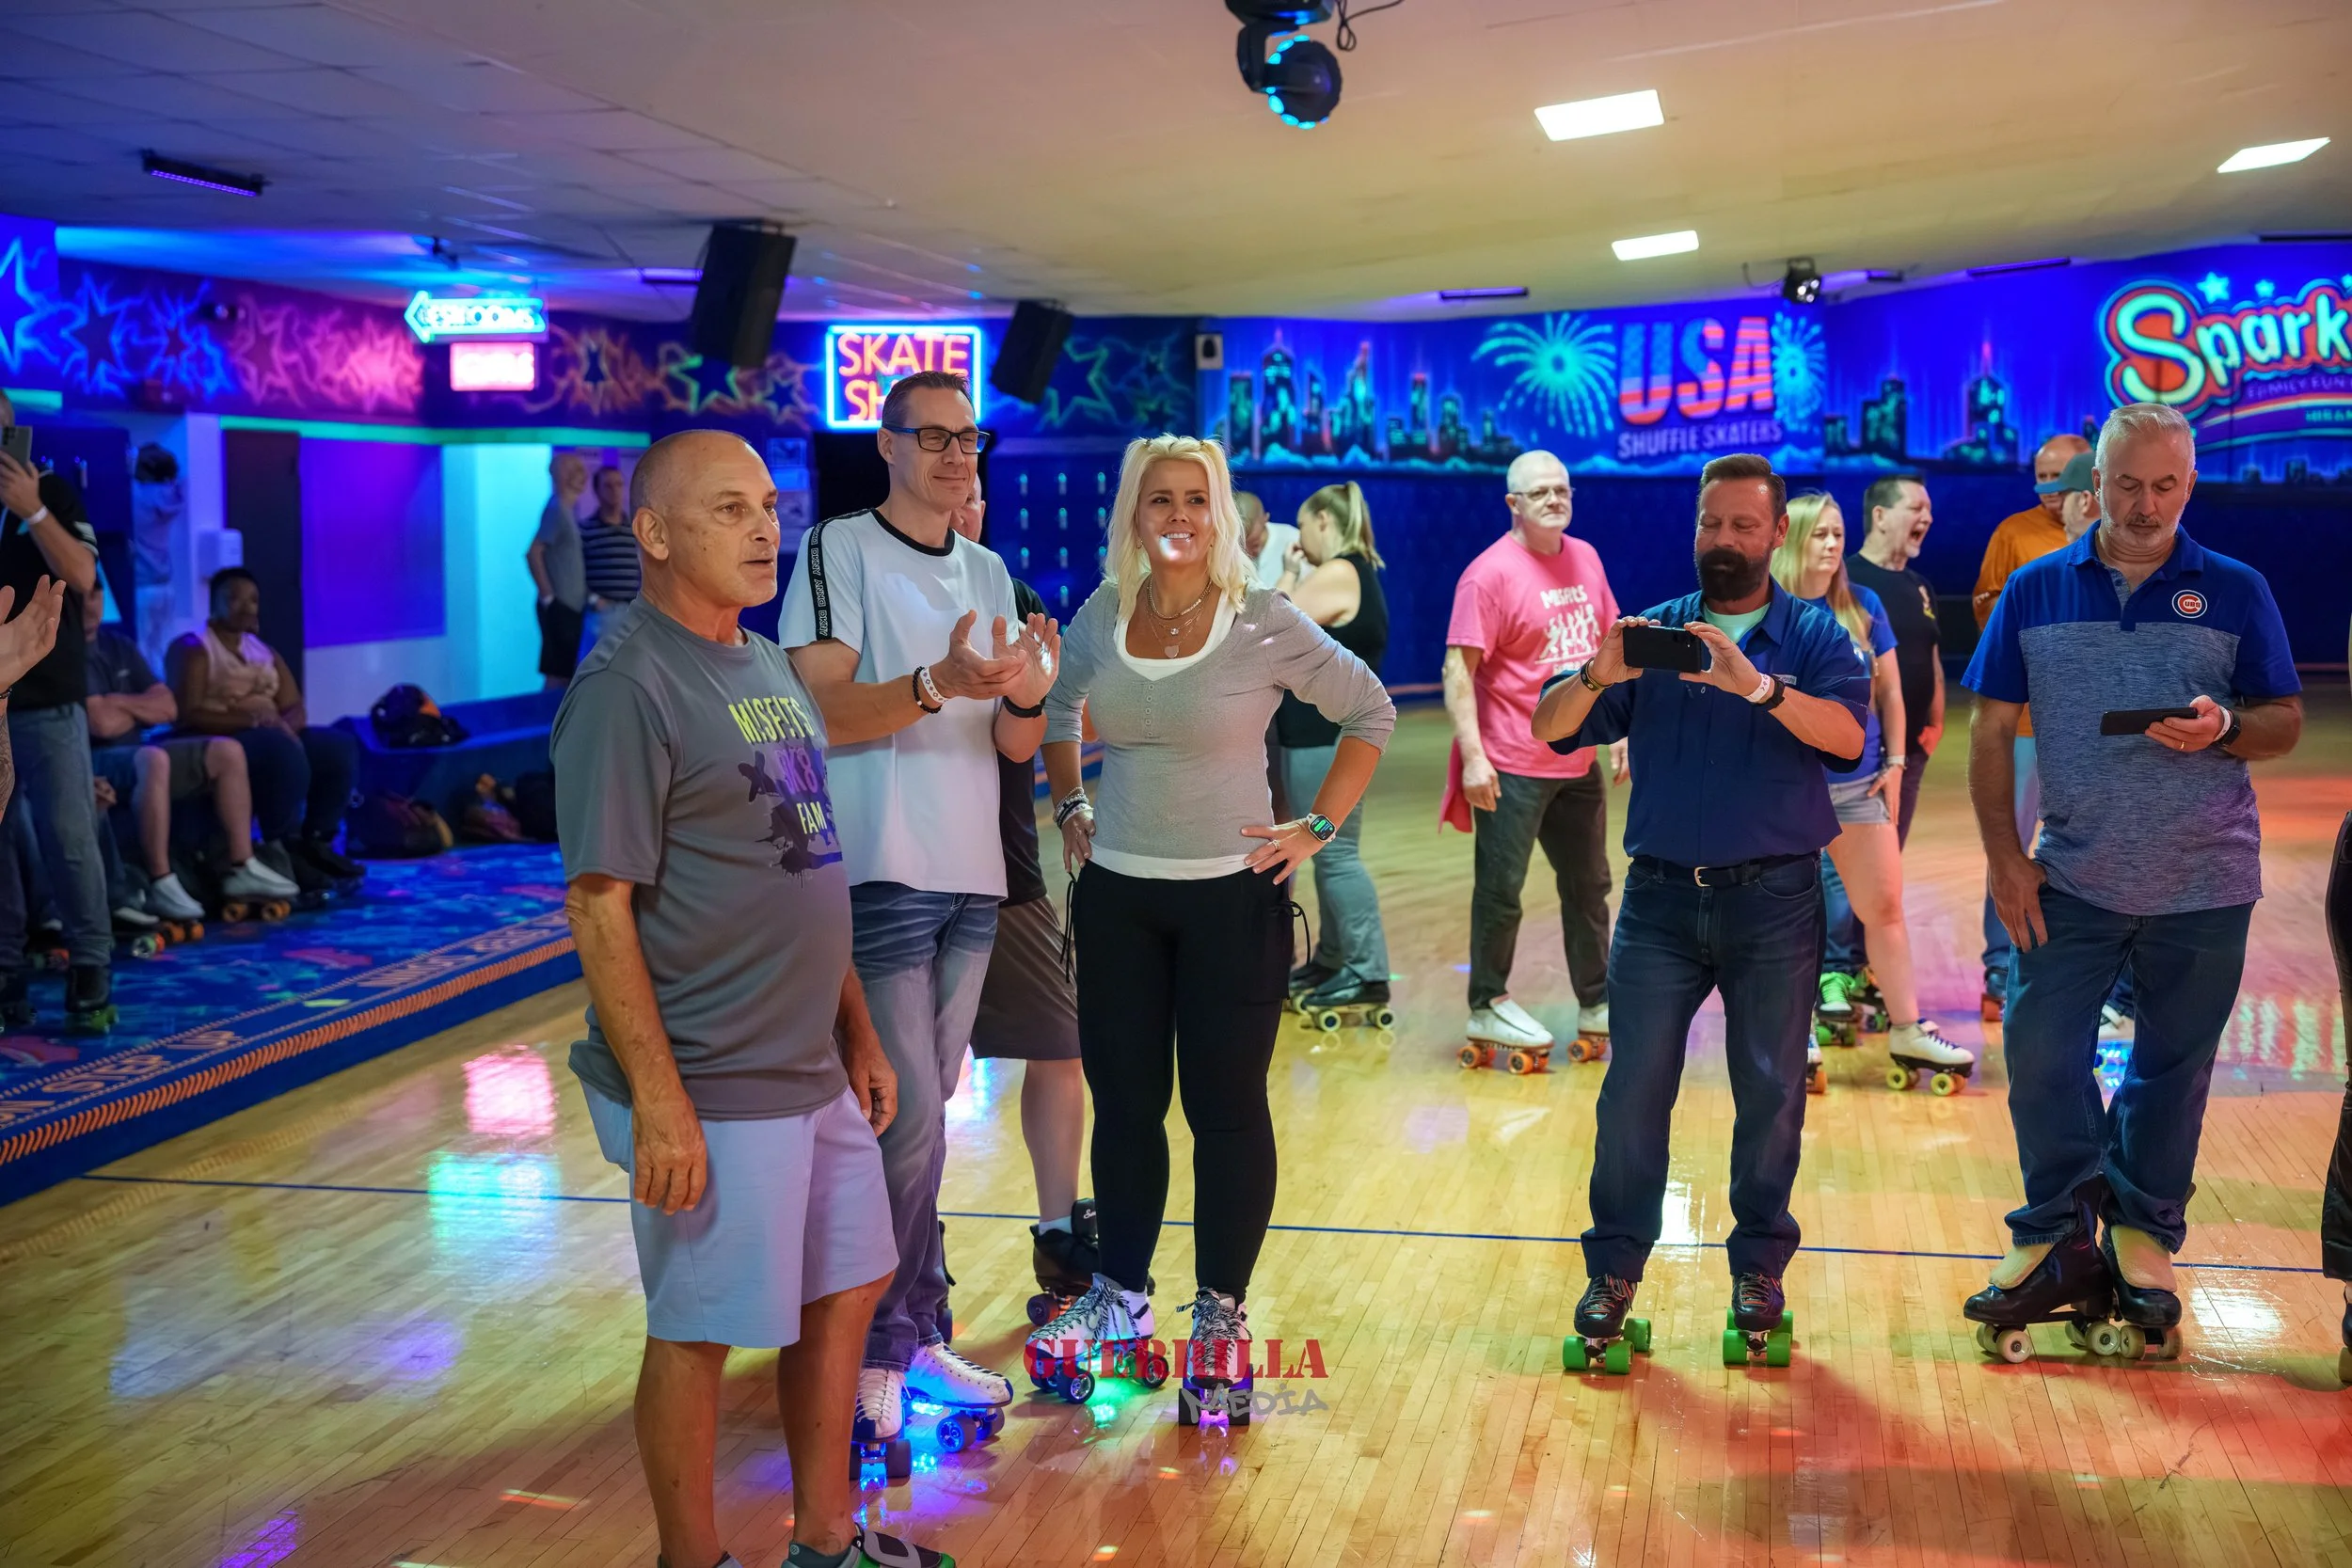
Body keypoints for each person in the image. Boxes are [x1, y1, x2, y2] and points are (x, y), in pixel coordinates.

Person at [555, 428, 952, 1568]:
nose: (764, 527)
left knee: (846, 1284)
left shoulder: (767, 661)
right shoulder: (628, 683)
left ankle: (824, 1540)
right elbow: (598, 904)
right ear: (655, 533)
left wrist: (859, 1033)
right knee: (700, 1328)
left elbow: (806, 859)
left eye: (768, 505)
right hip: (710, 1075)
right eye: (729, 509)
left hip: (809, 1063)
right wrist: (661, 1099)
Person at [1032, 433, 1393, 1419]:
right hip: (1117, 898)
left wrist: (1315, 826)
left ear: (1222, 512)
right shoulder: (1103, 613)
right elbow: (1058, 709)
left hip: (1231, 901)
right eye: (1160, 499)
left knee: (1225, 1111)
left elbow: (1368, 712)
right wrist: (1071, 806)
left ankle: (1222, 1314)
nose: (1179, 515)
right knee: (1127, 1104)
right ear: (1134, 514)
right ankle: (1120, 1297)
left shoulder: (1263, 618)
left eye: (1197, 498)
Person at [1961, 403, 2300, 1359]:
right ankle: (2056, 1228)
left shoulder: (2234, 589)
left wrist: (2224, 726)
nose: (2145, 504)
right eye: (2125, 484)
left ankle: (2142, 1230)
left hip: (2206, 879)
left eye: (2164, 485)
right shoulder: (2034, 590)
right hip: (2070, 873)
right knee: (2037, 1047)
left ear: (2188, 486)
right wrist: (2003, 856)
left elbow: (2280, 718)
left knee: (2170, 1067)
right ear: (2091, 487)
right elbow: (1989, 731)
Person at [1531, 452, 1869, 1361]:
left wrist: (1755, 687)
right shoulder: (1651, 634)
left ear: (1774, 535)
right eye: (1710, 524)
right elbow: (1550, 726)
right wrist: (1601, 673)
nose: (1724, 541)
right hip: (1660, 907)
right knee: (1634, 1093)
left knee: (1770, 1092)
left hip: (1777, 903)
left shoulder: (1815, 636)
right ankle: (1613, 1271)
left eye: (1743, 527)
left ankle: (1759, 1267)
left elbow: (1849, 740)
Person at [779, 371, 1059, 1448]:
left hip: (972, 875)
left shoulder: (985, 564)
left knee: (925, 1113)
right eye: (931, 437)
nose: (955, 455)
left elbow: (1012, 752)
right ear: (887, 447)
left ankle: (906, 1324)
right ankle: (883, 1349)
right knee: (899, 1121)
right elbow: (821, 712)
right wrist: (941, 681)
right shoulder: (837, 549)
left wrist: (1029, 693)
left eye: (968, 438)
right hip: (881, 868)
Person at [945, 475, 1097, 1312]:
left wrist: (1070, 800)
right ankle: (903, 1248)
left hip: (1005, 868)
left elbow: (1032, 736)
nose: (970, 507)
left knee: (1061, 1040)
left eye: (978, 493)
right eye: (954, 492)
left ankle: (1055, 1231)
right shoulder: (874, 591)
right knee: (909, 1079)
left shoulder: (1017, 595)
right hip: (901, 877)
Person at [1771, 494, 1969, 1083]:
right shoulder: (1768, 614)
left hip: (1860, 788)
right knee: (1788, 919)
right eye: (1818, 536)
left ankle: (1908, 1031)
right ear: (1790, 540)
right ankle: (1793, 1035)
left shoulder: (1863, 605)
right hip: (1788, 793)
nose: (1832, 546)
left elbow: (1889, 694)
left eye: (1837, 534)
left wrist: (1898, 761)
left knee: (1882, 909)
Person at [1441, 451, 1622, 1059]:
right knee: (1501, 890)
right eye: (1540, 491)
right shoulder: (1487, 574)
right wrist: (1473, 756)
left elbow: (1608, 650)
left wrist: (1618, 730)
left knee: (1590, 886)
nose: (1554, 499)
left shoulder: (1588, 557)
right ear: (1512, 503)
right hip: (1512, 760)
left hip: (1576, 761)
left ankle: (1597, 1000)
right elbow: (1458, 671)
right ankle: (1487, 1003)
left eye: (1562, 489)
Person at [0, 388, 116, 1031]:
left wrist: (32, 509)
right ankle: (6, 970)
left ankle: (91, 964)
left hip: (45, 698)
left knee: (68, 837)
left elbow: (83, 576)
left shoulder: (57, 494)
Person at [83, 590, 297, 921]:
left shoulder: (120, 645)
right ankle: (161, 880)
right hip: (94, 761)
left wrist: (118, 702)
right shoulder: (63, 652)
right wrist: (137, 708)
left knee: (226, 751)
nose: (89, 607)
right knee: (153, 759)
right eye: (79, 598)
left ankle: (242, 865)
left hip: (139, 749)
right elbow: (100, 724)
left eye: (95, 597)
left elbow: (168, 706)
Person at [1972, 434, 2092, 1018]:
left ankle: (2092, 971)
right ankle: (2000, 963)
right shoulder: (2012, 534)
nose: (2048, 486)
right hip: (2023, 726)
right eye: (2041, 475)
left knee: (2091, 843)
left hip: (2093, 730)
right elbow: (1988, 616)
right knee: (2010, 847)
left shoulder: (2115, 534)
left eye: (2060, 476)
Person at [1271, 481, 1392, 1015]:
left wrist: (1292, 571)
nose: (1298, 540)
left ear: (1324, 520)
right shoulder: (1357, 571)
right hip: (1326, 738)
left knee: (1335, 854)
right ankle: (1334, 958)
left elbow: (1269, 627)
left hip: (1325, 739)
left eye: (1301, 527)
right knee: (1325, 854)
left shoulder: (1339, 571)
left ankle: (1367, 971)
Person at [166, 569, 364, 887]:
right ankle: (281, 847)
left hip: (272, 733)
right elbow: (187, 713)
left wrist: (285, 726)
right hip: (224, 737)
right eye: (234, 598)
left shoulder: (262, 650)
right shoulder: (194, 648)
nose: (246, 607)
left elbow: (294, 704)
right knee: (279, 751)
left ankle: (316, 841)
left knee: (336, 746)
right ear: (212, 602)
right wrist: (258, 723)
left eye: (253, 600)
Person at [1839, 473, 1942, 842]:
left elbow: (1932, 655)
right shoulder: (1845, 583)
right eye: (1916, 508)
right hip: (1860, 760)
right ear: (1880, 516)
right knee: (1852, 877)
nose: (1927, 518)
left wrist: (1935, 726)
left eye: (1929, 509)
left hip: (1910, 753)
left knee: (1889, 863)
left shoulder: (1920, 586)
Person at [528, 451, 589, 688]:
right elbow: (534, 552)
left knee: (565, 672)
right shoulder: (557, 510)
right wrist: (549, 598)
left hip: (571, 608)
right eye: (575, 470)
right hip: (561, 608)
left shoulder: (566, 511)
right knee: (558, 675)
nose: (582, 476)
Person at [580, 462, 643, 649]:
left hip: (634, 613)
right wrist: (594, 601)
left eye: (619, 485)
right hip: (603, 614)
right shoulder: (585, 530)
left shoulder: (636, 529)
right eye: (607, 486)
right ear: (597, 491)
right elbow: (574, 575)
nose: (614, 491)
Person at [1235, 489, 1298, 589]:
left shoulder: (1293, 541)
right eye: (1240, 546)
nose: (1247, 553)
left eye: (1254, 544)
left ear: (1265, 518)